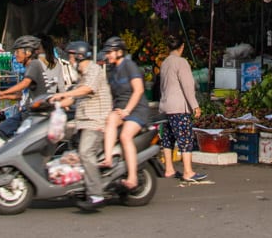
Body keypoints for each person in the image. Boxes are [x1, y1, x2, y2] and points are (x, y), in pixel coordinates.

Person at [49, 40, 113, 211]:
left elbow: (86, 90)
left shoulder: (94, 70)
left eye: (70, 56)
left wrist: (64, 93)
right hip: (83, 122)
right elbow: (72, 98)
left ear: (79, 56)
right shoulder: (82, 75)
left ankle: (96, 195)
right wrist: (51, 104)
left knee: (85, 152)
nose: (69, 60)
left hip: (96, 121)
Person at [101, 35, 151, 190]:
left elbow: (139, 90)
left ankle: (133, 177)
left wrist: (127, 110)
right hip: (120, 110)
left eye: (110, 52)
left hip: (136, 109)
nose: (107, 55)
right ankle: (108, 159)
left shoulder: (129, 66)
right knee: (109, 120)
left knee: (125, 136)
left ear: (119, 52)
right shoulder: (112, 71)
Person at [158, 35, 207, 183]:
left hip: (165, 106)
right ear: (182, 47)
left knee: (168, 138)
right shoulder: (181, 62)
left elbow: (161, 86)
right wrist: (195, 106)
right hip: (178, 107)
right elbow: (187, 86)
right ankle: (188, 172)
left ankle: (169, 169)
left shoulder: (164, 63)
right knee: (185, 138)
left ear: (168, 48)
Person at [0, 35, 47, 138]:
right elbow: (20, 96)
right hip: (27, 112)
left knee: (2, 129)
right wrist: (1, 97)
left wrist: (3, 92)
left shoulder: (34, 64)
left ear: (28, 52)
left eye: (18, 52)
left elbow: (24, 84)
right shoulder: (29, 67)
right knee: (2, 128)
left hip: (32, 114)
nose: (15, 55)